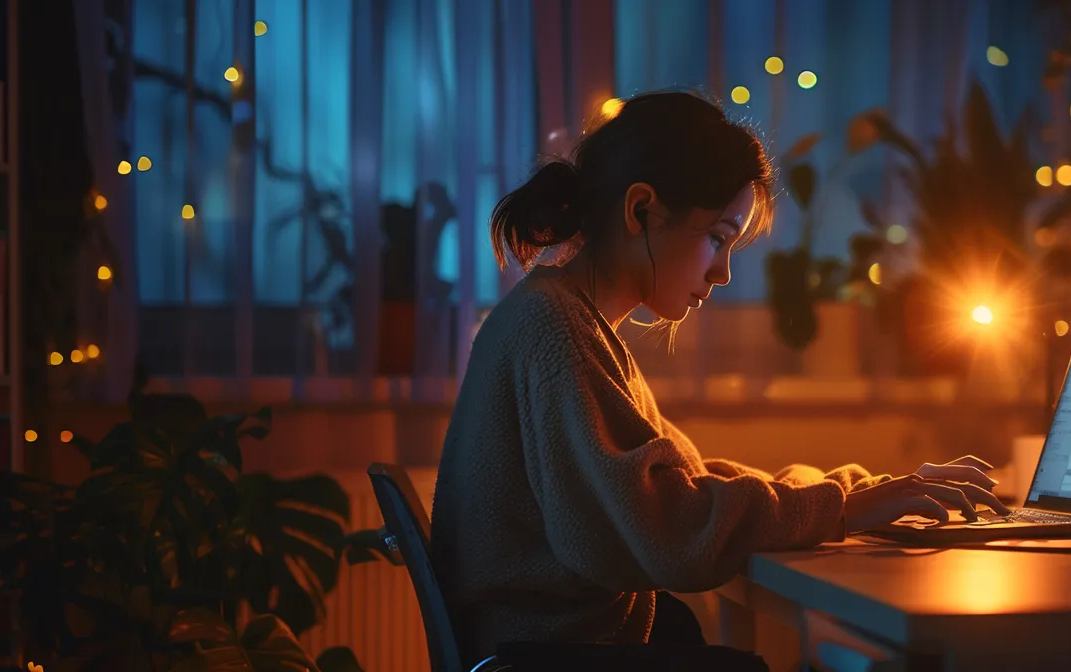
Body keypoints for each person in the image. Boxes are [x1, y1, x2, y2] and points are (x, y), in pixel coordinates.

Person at [430, 90, 1009, 668]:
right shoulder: (554, 329)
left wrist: (860, 492)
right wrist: (841, 509)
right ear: (641, 211)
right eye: (718, 237)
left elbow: (686, 482)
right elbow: (669, 532)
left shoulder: (569, 319)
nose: (724, 271)